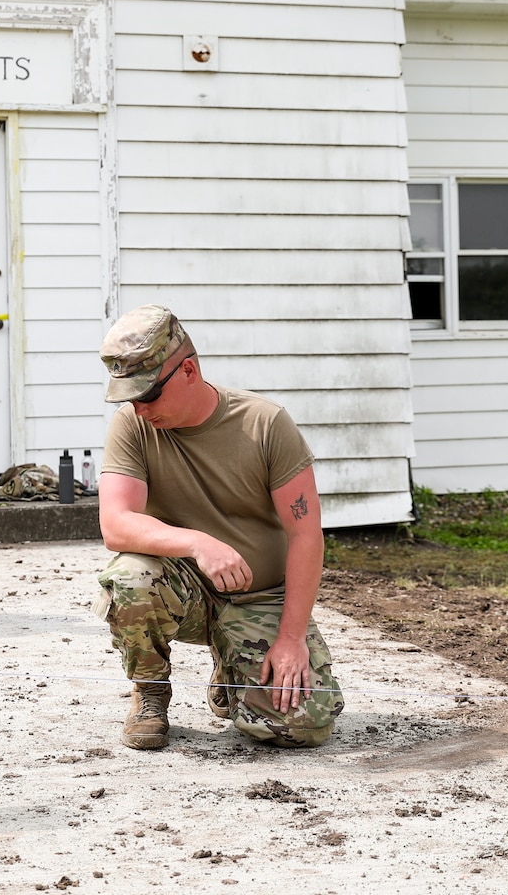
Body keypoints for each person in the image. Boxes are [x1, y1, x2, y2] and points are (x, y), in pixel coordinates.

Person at [93, 305, 342, 751]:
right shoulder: (132, 425)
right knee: (130, 575)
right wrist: (197, 542)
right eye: (130, 396)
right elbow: (116, 524)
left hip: (260, 595)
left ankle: (231, 666)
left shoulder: (265, 423)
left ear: (187, 370)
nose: (140, 407)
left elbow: (306, 535)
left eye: (148, 394)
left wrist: (290, 638)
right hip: (183, 592)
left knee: (300, 728)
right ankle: (150, 692)